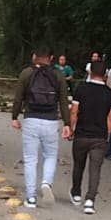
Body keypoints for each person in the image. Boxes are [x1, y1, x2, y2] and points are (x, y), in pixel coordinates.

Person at [12, 47, 70, 208]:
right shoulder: (58, 75)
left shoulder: (26, 73)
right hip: (51, 121)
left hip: (31, 119)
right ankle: (46, 183)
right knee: (50, 156)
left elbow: (18, 98)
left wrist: (14, 117)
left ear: (34, 57)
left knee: (30, 159)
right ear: (51, 58)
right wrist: (67, 123)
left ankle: (31, 197)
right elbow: (64, 102)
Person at [65, 60, 111, 214]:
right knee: (95, 170)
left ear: (90, 72)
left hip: (81, 134)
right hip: (99, 138)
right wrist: (106, 136)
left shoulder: (82, 89)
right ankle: (90, 200)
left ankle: (76, 192)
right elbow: (110, 120)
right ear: (106, 75)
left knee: (78, 165)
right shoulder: (110, 94)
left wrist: (70, 128)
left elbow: (74, 112)